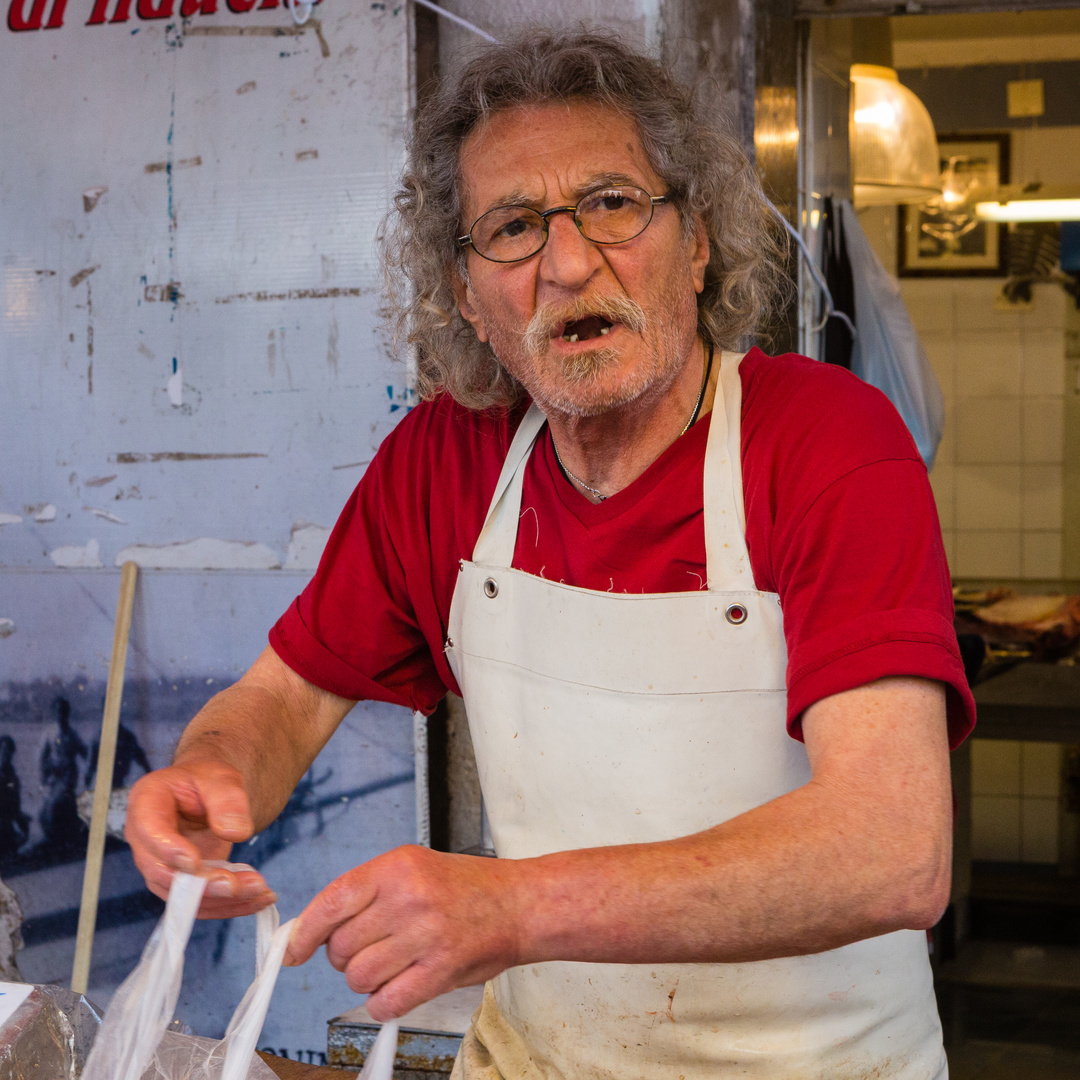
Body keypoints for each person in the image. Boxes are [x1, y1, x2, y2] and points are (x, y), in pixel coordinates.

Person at [127, 31, 976, 1078]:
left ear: (697, 240)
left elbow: (890, 851)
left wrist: (516, 907)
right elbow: (288, 695)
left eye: (614, 204)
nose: (569, 264)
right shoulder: (444, 459)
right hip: (540, 1059)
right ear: (470, 297)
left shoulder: (824, 443)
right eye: (514, 228)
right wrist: (212, 775)